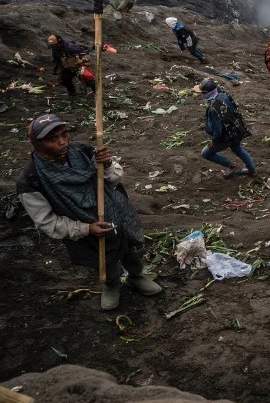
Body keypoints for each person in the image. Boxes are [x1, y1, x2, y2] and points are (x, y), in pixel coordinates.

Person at [16, 114, 162, 310]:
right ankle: (111, 285)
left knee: (130, 248)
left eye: (64, 134)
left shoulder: (83, 151)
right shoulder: (30, 179)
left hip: (114, 210)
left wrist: (108, 164)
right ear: (37, 144)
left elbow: (114, 180)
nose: (62, 142)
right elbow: (46, 222)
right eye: (53, 139)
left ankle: (136, 276)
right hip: (82, 226)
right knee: (104, 259)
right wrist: (86, 229)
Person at [200, 79, 257, 178]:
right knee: (238, 149)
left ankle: (232, 166)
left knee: (205, 153)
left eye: (202, 92)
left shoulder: (213, 109)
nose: (201, 94)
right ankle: (252, 171)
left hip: (225, 136)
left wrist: (214, 141)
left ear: (207, 93)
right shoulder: (224, 95)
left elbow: (218, 131)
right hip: (235, 130)